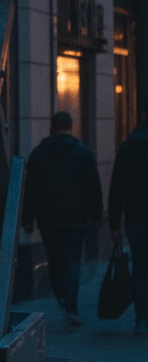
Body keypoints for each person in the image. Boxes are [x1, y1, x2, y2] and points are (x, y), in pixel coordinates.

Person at [21, 111, 103, 327]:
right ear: (70, 126)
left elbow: (30, 189)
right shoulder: (82, 152)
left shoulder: (38, 154)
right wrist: (96, 215)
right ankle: (71, 306)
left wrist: (27, 218)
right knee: (72, 263)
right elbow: (93, 186)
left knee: (55, 262)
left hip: (48, 219)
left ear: (53, 127)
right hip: (76, 219)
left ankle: (62, 299)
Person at [108, 105, 148, 336]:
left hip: (136, 219)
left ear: (143, 115)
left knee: (141, 268)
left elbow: (117, 188)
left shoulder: (128, 147)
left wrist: (114, 224)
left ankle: (142, 318)